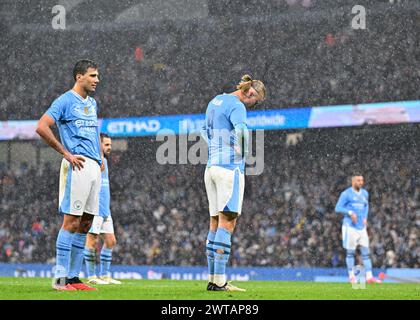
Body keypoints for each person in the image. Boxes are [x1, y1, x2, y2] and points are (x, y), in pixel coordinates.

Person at [36, 59, 102, 291]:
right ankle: (60, 279)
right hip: (79, 166)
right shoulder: (64, 101)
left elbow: (94, 132)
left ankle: (73, 278)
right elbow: (42, 126)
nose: (97, 80)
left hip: (94, 166)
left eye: (97, 76)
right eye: (92, 76)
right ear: (79, 77)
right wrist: (66, 153)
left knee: (86, 224)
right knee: (71, 221)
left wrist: (101, 159)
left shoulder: (92, 103)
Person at [201, 74, 266, 291]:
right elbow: (242, 131)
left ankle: (212, 279)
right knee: (227, 223)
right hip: (229, 168)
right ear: (249, 92)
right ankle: (220, 282)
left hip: (211, 167)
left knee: (214, 223)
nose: (252, 105)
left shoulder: (215, 101)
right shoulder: (237, 106)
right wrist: (244, 153)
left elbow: (204, 131)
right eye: (254, 101)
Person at [84, 134, 121, 285]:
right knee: (92, 240)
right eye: (106, 144)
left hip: (105, 209)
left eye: (110, 144)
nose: (109, 147)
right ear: (97, 144)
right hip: (95, 208)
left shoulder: (104, 161)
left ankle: (104, 275)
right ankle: (92, 276)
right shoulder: (91, 161)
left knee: (111, 241)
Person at [335, 174, 382, 284]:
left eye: (362, 180)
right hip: (350, 226)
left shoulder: (365, 193)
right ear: (353, 182)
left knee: (366, 252)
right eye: (358, 180)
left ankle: (369, 277)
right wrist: (350, 212)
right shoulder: (346, 194)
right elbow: (338, 208)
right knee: (350, 252)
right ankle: (351, 276)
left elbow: (366, 205)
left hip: (361, 227)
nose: (361, 182)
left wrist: (365, 217)